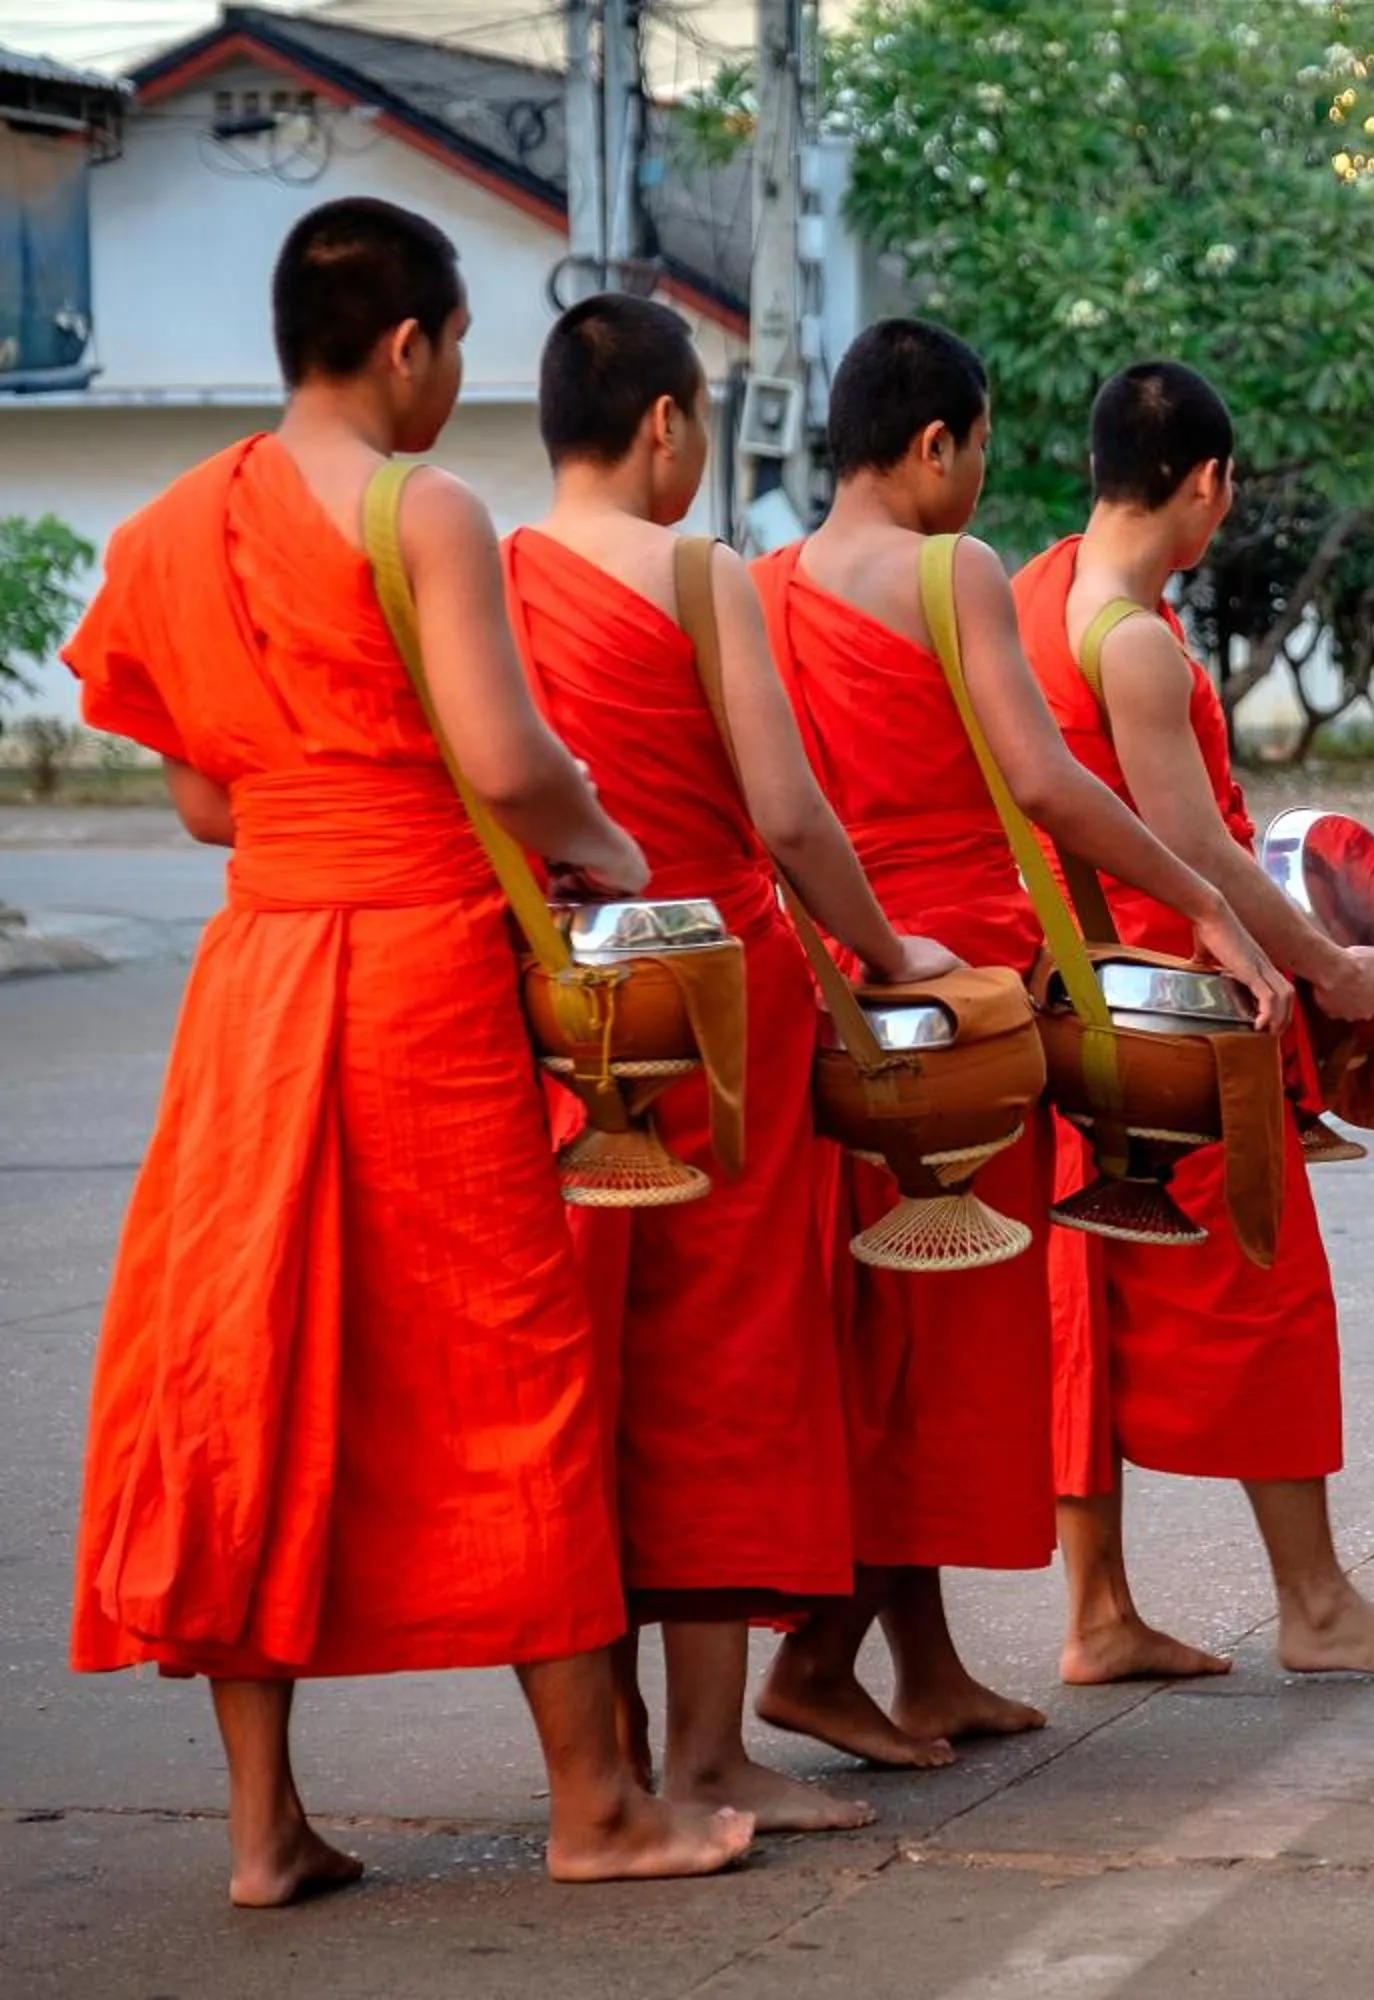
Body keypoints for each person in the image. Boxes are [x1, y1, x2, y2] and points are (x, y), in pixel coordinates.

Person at [63, 196, 751, 1903]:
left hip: (258, 983)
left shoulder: (169, 529)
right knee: (511, 1370)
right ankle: (597, 1809)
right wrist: (609, 848)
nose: (451, 382)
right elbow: (508, 763)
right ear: (407, 346)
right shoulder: (418, 506)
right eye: (451, 350)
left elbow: (209, 802)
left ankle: (263, 1830)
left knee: (245, 1366)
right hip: (420, 981)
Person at [750, 318, 1290, 1766]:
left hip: (833, 981)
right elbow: (1043, 782)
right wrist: (1201, 902)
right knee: (940, 1339)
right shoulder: (953, 571)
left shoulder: (763, 585)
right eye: (981, 447)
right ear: (935, 444)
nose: (984, 479)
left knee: (887, 1331)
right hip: (957, 998)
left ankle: (924, 1666)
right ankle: (819, 1657)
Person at [505, 294, 968, 1828]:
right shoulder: (699, 570)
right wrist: (891, 951)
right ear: (665, 425)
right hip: (714, 997)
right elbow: (784, 812)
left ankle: (611, 1753)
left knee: (587, 1371)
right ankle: (708, 1755)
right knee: (725, 1364)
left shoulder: (493, 574)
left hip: (564, 1007)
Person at [1021, 361, 1374, 1683]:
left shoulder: (1034, 596)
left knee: (1087, 1304)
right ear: (1210, 483)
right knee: (1264, 1294)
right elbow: (1198, 852)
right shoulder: (1134, 639)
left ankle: (1098, 1611)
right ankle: (1316, 1604)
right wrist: (1328, 967)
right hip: (1180, 1025)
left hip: (1070, 1001)